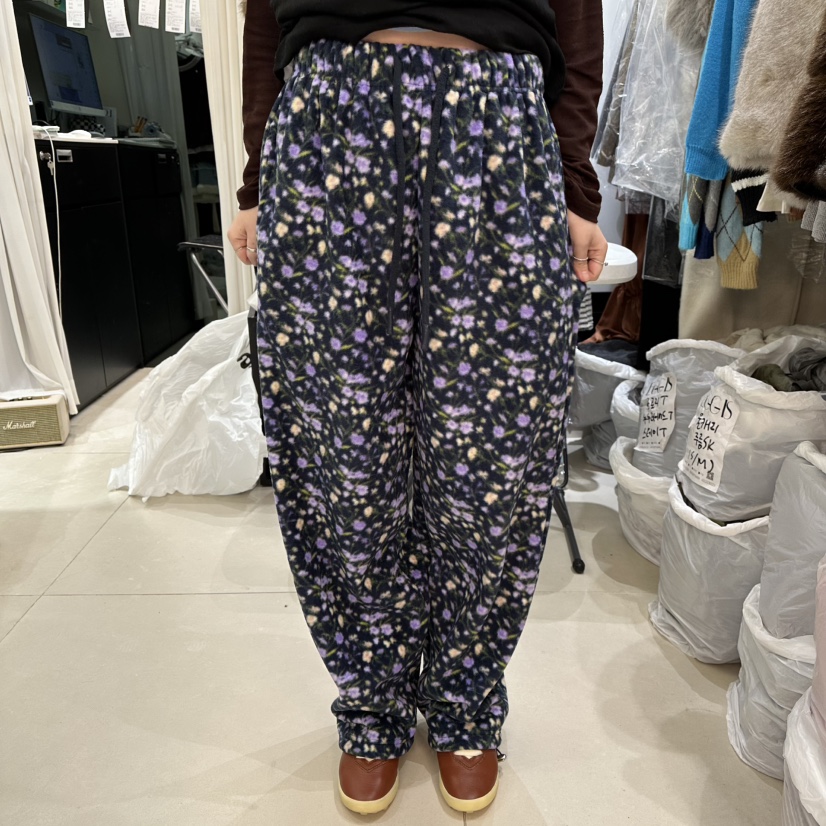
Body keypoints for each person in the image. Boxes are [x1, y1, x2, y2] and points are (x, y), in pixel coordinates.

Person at [229, 0, 606, 816]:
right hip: (330, 118)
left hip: (498, 123)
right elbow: (263, 19)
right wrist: (259, 178)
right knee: (347, 453)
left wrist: (576, 185)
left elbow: (577, 16)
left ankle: (466, 700)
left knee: (490, 463)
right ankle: (373, 703)